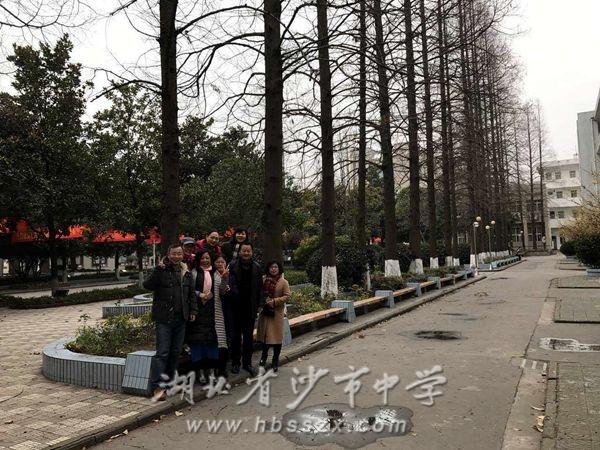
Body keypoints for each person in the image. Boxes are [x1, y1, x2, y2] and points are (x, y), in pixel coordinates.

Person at [143, 243, 197, 401]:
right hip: (164, 319)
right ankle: (158, 387)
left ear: (182, 255)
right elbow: (147, 285)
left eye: (179, 254)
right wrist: (157, 270)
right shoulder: (161, 270)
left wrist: (193, 311)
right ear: (168, 254)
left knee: (175, 353)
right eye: (174, 253)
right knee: (163, 353)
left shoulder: (186, 272)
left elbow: (191, 294)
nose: (176, 256)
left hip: (181, 318)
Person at [228, 242, 263, 376]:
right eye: (244, 251)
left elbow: (260, 287)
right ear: (240, 252)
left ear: (252, 252)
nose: (246, 253)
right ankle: (235, 362)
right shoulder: (232, 265)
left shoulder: (257, 267)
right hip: (235, 307)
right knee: (235, 337)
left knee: (248, 337)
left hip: (250, 307)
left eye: (249, 251)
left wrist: (260, 304)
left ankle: (247, 363)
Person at [185, 249, 219, 384]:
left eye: (207, 258)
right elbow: (189, 290)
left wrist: (211, 295)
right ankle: (200, 373)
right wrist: (200, 295)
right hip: (197, 311)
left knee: (212, 342)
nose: (205, 260)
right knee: (197, 342)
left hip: (213, 311)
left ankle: (211, 371)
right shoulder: (193, 273)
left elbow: (221, 288)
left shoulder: (216, 273)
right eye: (203, 258)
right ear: (198, 260)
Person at [256, 261, 290, 372]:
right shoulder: (263, 280)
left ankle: (275, 360)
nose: (273, 269)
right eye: (271, 267)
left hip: (276, 313)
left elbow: (287, 296)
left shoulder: (283, 282)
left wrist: (275, 301)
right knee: (265, 338)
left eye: (275, 267)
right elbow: (258, 293)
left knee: (276, 339)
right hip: (265, 313)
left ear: (279, 269)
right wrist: (261, 303)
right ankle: (263, 357)